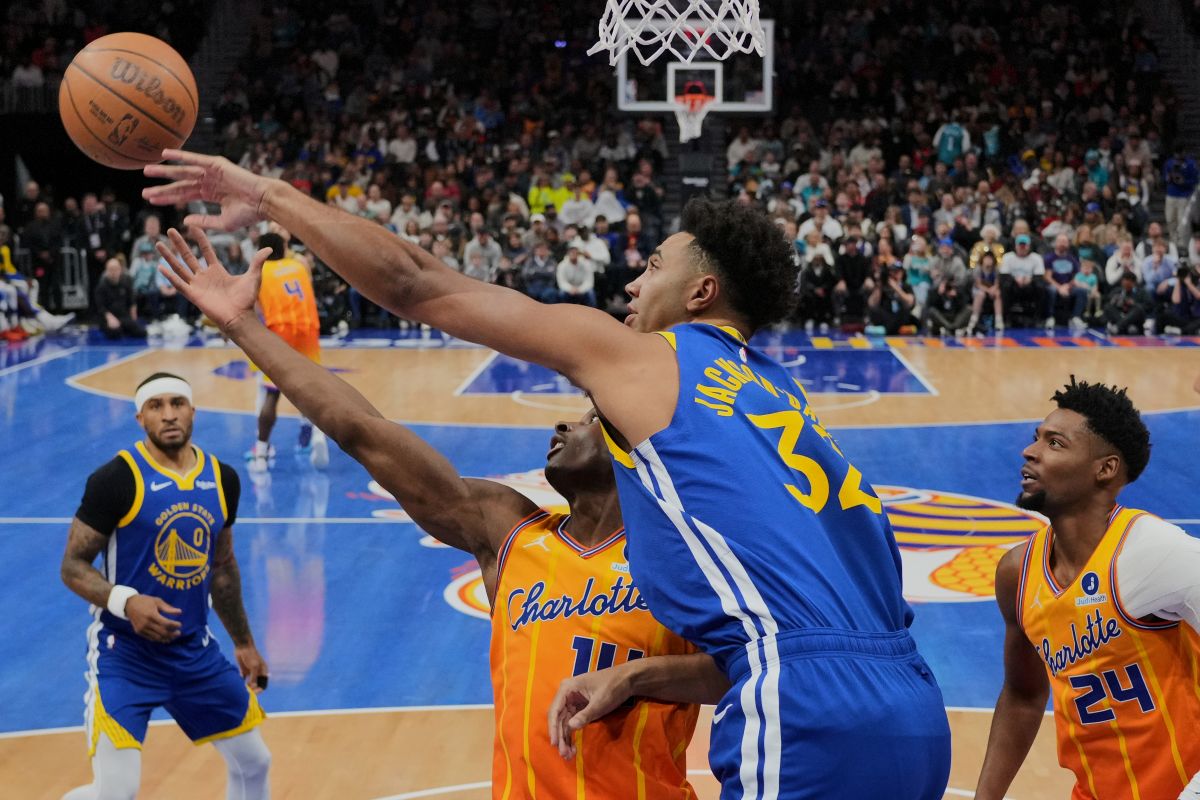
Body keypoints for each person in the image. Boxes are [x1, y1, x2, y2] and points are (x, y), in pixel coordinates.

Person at [145, 151, 953, 798]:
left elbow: (420, 286)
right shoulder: (783, 405)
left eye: (654, 268)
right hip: (912, 700)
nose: (632, 284)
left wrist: (269, 196)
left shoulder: (652, 360)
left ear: (701, 293)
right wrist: (643, 674)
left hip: (802, 696)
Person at [152, 230, 718, 798]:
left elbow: (743, 668)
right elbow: (362, 431)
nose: (564, 424)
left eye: (589, 419)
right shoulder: (508, 530)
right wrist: (241, 325)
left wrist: (636, 677)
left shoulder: (685, 553)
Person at [975, 378, 1200, 800]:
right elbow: (1023, 695)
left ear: (1105, 469)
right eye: (1036, 437)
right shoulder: (1017, 572)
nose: (1030, 451)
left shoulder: (1153, 551)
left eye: (1055, 443)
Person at [60, 372, 270, 800]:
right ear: (140, 418)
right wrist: (127, 602)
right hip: (126, 655)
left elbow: (222, 567)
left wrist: (244, 642)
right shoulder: (115, 479)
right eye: (156, 406)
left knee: (254, 763)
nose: (169, 414)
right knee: (117, 792)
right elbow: (72, 566)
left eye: (178, 403)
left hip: (193, 651)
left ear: (194, 411)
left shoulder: (223, 479)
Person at [249, 232, 327, 473]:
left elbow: (254, 308)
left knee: (271, 394)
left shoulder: (258, 273)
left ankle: (261, 452)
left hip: (281, 333)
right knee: (310, 388)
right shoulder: (299, 266)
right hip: (308, 330)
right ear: (283, 249)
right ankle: (317, 434)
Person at [94, 258, 147, 340]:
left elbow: (132, 302)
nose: (113, 272)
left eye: (116, 269)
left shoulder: (126, 282)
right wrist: (110, 318)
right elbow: (100, 307)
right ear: (106, 271)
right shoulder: (101, 287)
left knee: (141, 332)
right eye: (111, 269)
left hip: (124, 317)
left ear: (120, 270)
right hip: (108, 318)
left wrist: (133, 320)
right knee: (115, 333)